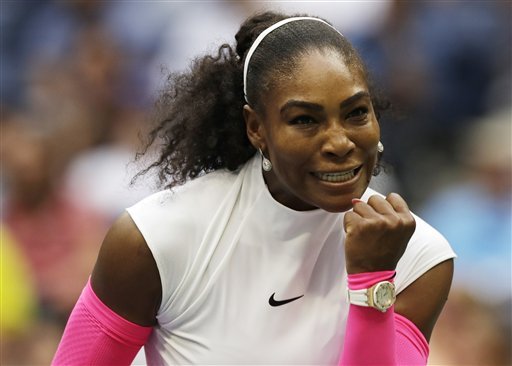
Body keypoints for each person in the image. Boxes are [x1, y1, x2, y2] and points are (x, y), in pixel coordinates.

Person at [52, 11, 455, 365]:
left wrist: (372, 280)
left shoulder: (420, 258)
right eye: (304, 120)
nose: (340, 142)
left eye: (355, 113)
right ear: (256, 128)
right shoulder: (154, 240)